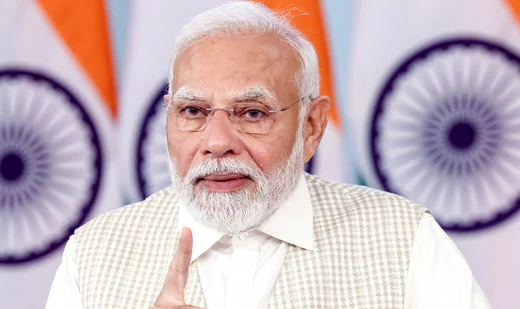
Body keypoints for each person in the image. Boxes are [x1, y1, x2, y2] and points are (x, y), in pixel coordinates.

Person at [45, 2, 491, 309]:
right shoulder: (94, 254)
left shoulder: (404, 239)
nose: (217, 142)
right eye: (193, 111)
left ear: (311, 126)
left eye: (252, 112)